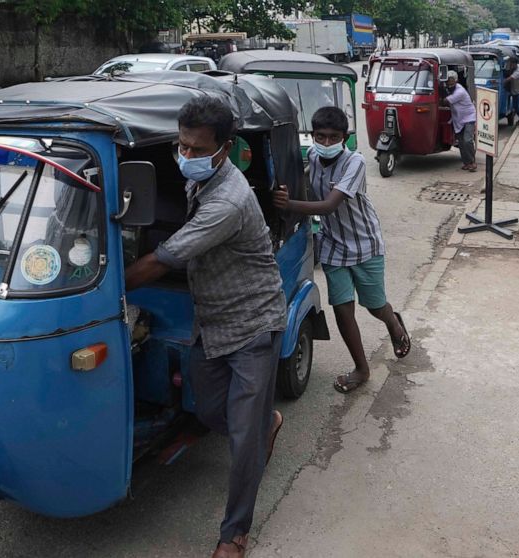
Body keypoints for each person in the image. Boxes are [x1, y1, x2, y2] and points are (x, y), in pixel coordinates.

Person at [125, 95, 286, 558]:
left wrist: (102, 290)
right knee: (213, 414)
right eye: (182, 147)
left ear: (226, 148)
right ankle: (265, 422)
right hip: (211, 320)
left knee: (241, 438)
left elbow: (164, 258)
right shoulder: (203, 181)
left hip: (254, 323)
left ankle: (234, 534)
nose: (187, 157)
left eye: (197, 149)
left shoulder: (229, 201)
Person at [272, 107, 410, 395]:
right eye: (320, 136)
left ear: (344, 138)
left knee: (374, 306)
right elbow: (309, 188)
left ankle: (394, 323)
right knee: (342, 310)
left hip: (364, 244)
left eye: (332, 137)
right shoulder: (312, 157)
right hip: (334, 244)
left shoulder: (355, 163)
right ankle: (361, 368)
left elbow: (328, 205)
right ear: (312, 136)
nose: (325, 143)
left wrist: (289, 205)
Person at [442, 70, 478, 171]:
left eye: (451, 80)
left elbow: (446, 101)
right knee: (461, 142)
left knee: (467, 140)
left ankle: (472, 162)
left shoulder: (459, 91)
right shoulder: (450, 89)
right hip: (458, 119)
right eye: (448, 80)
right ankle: (466, 163)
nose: (449, 82)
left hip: (469, 117)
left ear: (456, 80)